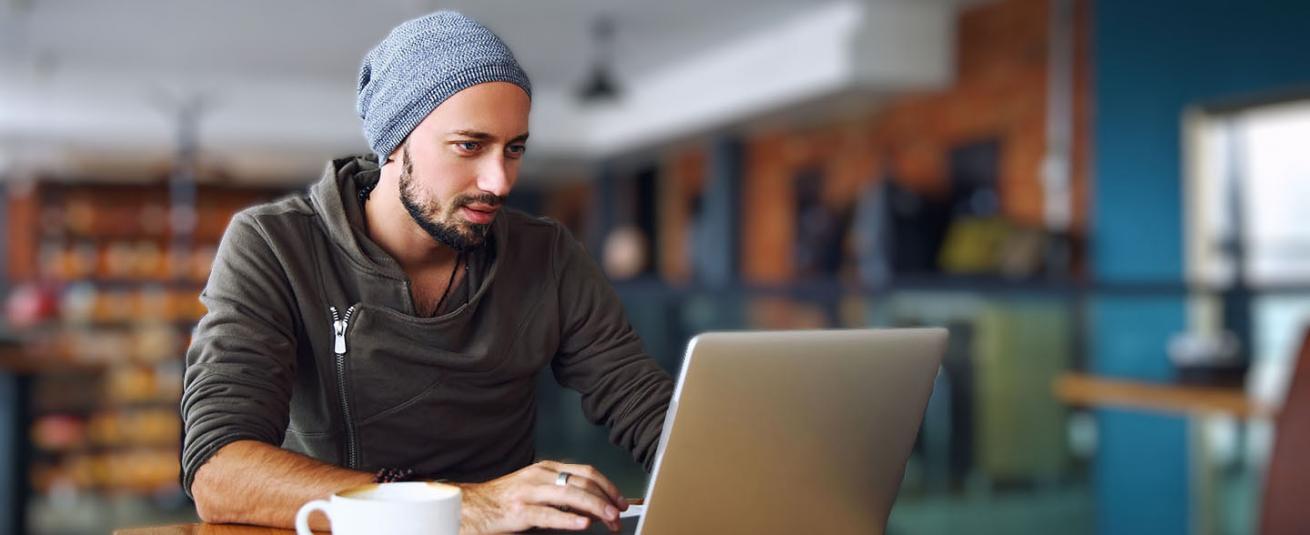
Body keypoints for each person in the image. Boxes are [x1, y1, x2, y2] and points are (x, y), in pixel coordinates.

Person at [180, 11, 673, 534]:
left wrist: (738, 468)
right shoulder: (274, 246)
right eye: (469, 146)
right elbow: (219, 470)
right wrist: (462, 507)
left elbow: (644, 406)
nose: (499, 181)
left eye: (514, 149)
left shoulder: (546, 254)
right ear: (396, 141)